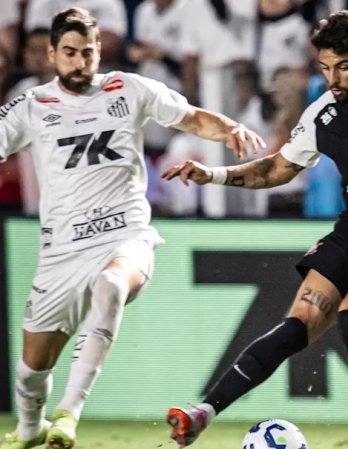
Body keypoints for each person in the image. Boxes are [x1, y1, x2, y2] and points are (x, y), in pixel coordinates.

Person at [162, 11, 348, 449]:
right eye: (325, 67)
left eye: (344, 67)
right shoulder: (323, 114)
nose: (333, 79)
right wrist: (215, 175)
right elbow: (277, 169)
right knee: (300, 323)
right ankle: (204, 412)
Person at [0, 7, 265, 449]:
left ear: (99, 50)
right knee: (31, 369)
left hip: (125, 236)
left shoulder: (128, 88)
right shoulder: (31, 105)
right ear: (51, 54)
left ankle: (69, 412)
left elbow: (191, 117)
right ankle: (30, 429)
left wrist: (230, 128)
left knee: (110, 285)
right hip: (61, 251)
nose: (80, 62)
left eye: (88, 52)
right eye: (69, 53)